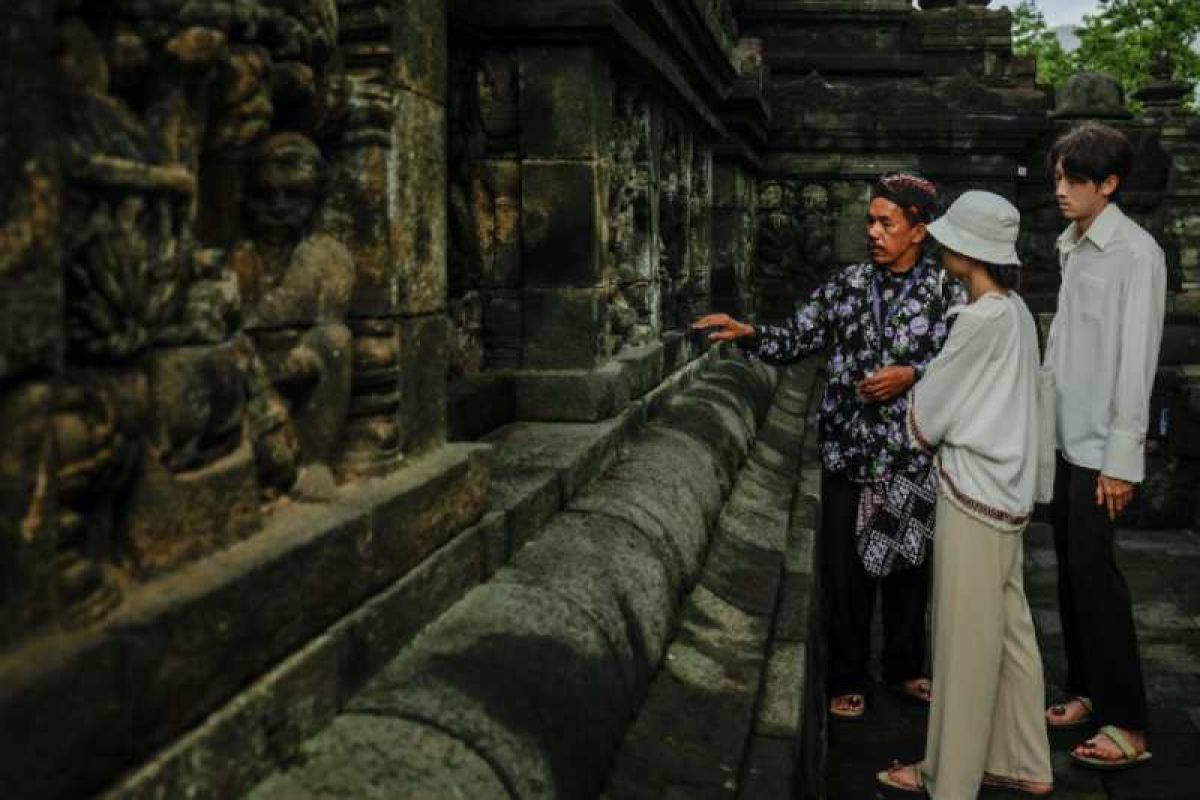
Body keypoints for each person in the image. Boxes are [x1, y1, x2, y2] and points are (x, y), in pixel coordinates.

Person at [694, 173, 963, 720]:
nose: (873, 231)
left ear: (919, 230)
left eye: (886, 222)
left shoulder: (945, 293)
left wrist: (912, 374)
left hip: (909, 453)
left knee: (909, 566)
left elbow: (965, 365)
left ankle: (905, 667)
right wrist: (748, 333)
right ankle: (847, 674)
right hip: (848, 450)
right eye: (870, 220)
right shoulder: (848, 286)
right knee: (847, 573)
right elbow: (796, 336)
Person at [873, 191, 1054, 798]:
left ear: (968, 249)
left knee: (960, 642)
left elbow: (927, 413)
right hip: (1009, 491)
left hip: (973, 488)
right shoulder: (1018, 312)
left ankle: (947, 776)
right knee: (1008, 630)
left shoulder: (978, 319)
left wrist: (916, 408)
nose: (943, 245)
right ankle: (1024, 760)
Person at [1041, 122, 1164, 770]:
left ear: (1109, 184)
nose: (1060, 190)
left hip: (1101, 448)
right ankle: (1085, 690)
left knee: (1098, 580)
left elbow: (1136, 362)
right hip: (1066, 437)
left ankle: (1130, 723)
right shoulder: (1074, 245)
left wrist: (1122, 461)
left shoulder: (1135, 254)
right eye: (1058, 176)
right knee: (1067, 572)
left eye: (1074, 179)